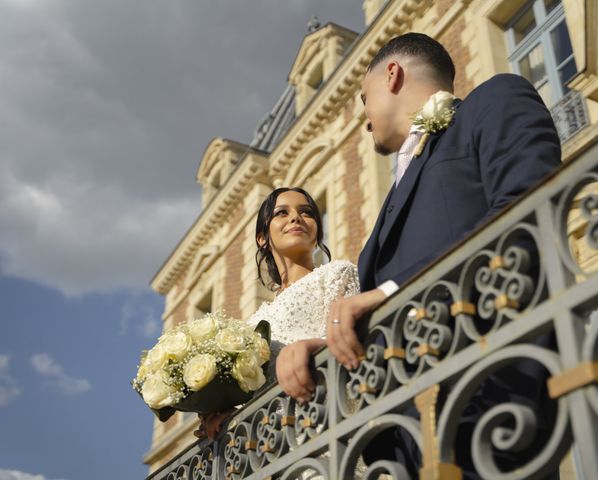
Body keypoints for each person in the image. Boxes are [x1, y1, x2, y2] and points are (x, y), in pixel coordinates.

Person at [310, 32, 559, 477]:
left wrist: (388, 291)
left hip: (489, 407)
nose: (365, 120)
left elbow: (528, 206)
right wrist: (315, 350)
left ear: (392, 74)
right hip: (405, 444)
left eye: (364, 98)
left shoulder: (494, 100)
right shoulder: (392, 198)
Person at [195, 187, 360, 440]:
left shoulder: (336, 274)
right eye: (282, 213)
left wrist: (312, 348)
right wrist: (224, 415)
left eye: (306, 212)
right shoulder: (250, 326)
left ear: (317, 233)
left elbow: (351, 345)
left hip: (327, 425)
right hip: (274, 446)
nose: (296, 218)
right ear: (262, 238)